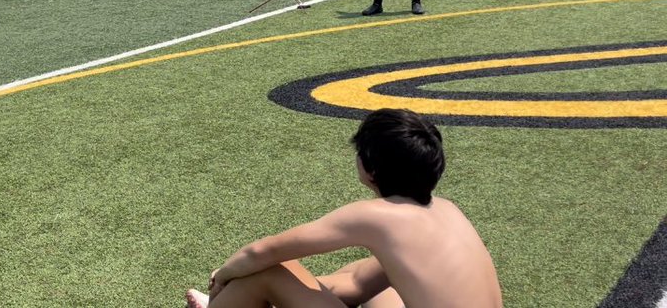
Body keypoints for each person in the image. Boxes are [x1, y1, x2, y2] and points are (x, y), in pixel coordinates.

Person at [185, 108, 502, 308]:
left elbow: (261, 253)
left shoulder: (376, 217)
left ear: (371, 168)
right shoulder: (447, 209)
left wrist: (222, 277)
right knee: (365, 275)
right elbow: (359, 284)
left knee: (268, 272)